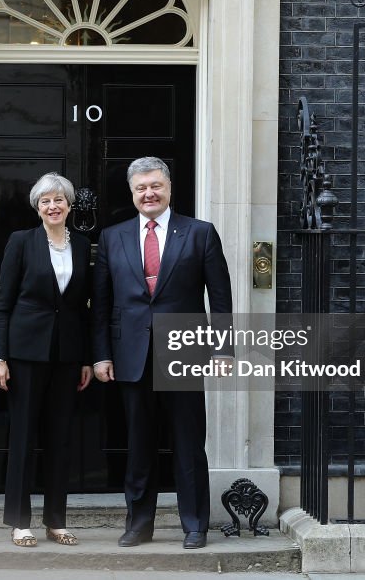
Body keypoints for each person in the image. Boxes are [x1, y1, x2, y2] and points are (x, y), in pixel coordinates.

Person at [92, 156, 232, 550]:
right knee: (138, 444)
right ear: (132, 192)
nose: (148, 193)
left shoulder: (200, 233)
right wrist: (101, 355)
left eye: (155, 186)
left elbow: (220, 297)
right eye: (141, 188)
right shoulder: (112, 237)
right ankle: (139, 524)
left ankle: (194, 525)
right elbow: (101, 304)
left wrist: (223, 349)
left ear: (169, 188)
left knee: (188, 443)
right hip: (130, 354)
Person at [0, 172, 94, 547]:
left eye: (59, 200)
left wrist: (85, 357)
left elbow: (84, 307)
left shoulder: (82, 245)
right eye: (46, 201)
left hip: (67, 355)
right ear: (38, 207)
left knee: (60, 438)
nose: (53, 206)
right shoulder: (21, 242)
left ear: (69, 205)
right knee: (23, 436)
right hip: (25, 353)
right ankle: (20, 521)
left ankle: (56, 521)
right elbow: (2, 305)